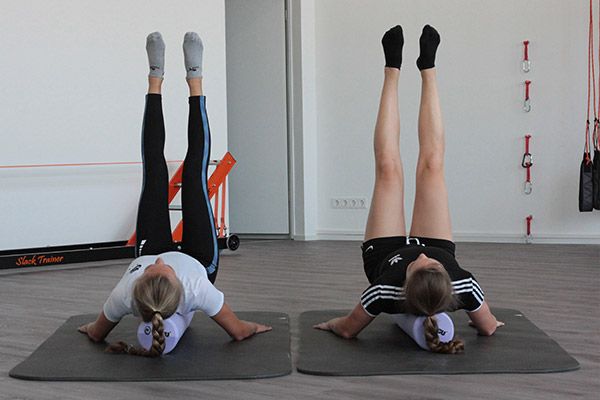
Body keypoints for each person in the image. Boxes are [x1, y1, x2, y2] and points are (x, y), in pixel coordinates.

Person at [78, 32, 271, 356]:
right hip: (199, 260)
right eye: (162, 268)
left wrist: (91, 329)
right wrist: (254, 327)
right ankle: (195, 79)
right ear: (178, 284)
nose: (160, 261)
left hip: (152, 249)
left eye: (150, 268)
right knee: (195, 173)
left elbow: (96, 332)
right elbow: (238, 331)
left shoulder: (126, 293)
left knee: (154, 172)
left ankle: (155, 78)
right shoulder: (196, 288)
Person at [314, 25, 503, 354]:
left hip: (384, 253)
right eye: (434, 264)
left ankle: (391, 68)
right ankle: (428, 67)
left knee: (388, 168)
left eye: (419, 263)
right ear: (447, 279)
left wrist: (331, 324)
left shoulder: (385, 291)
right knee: (433, 165)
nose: (423, 255)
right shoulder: (463, 284)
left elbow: (346, 329)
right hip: (439, 240)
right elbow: (488, 326)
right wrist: (486, 320)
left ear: (405, 282)